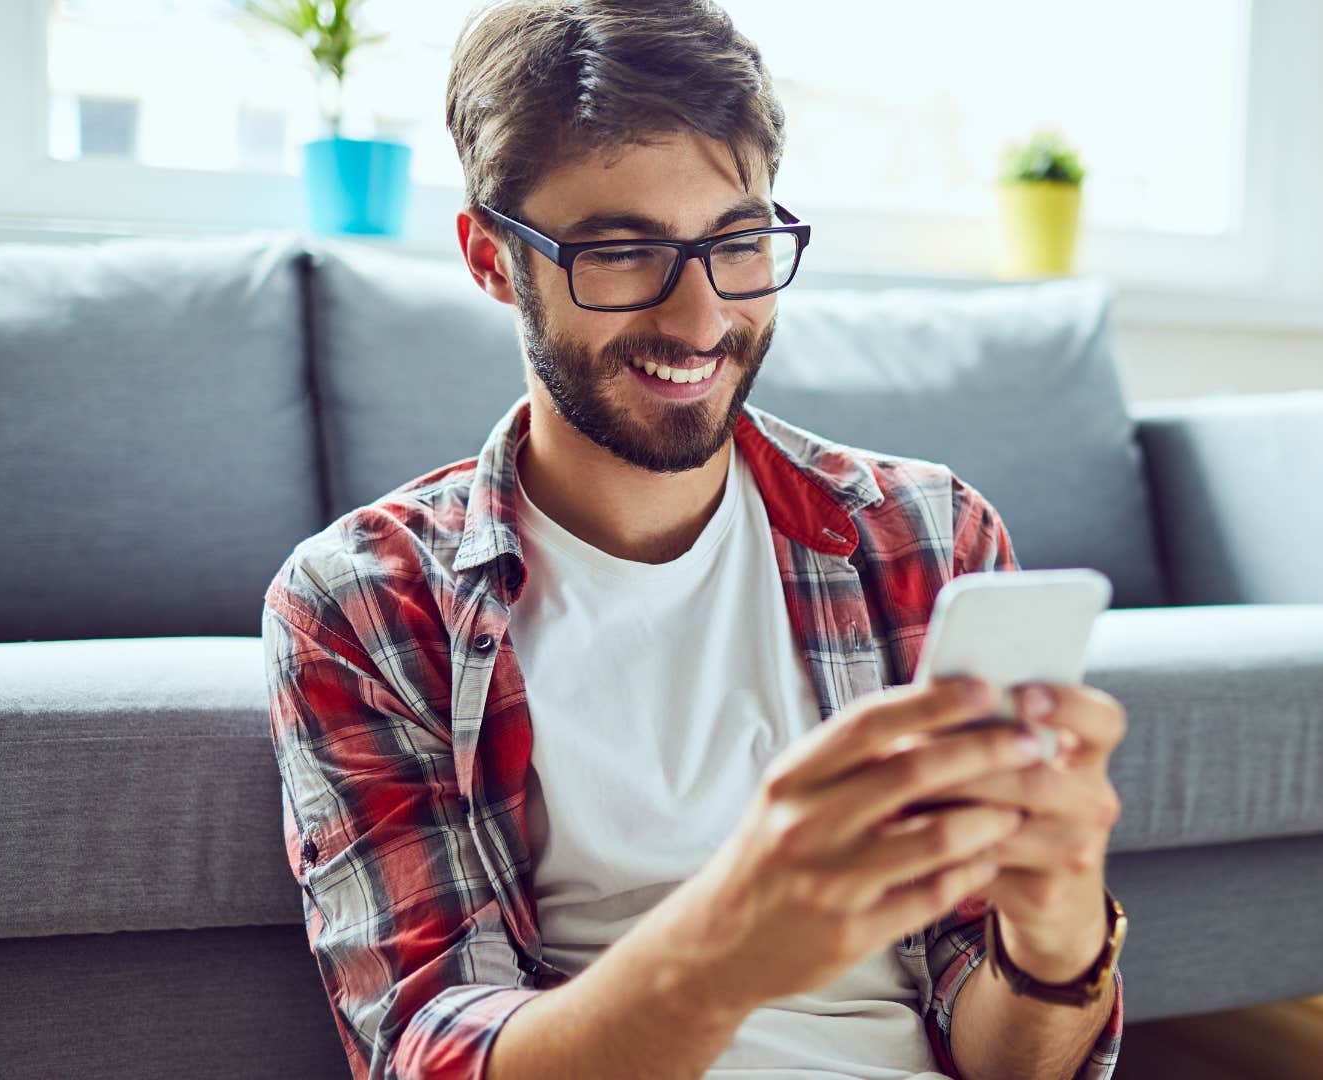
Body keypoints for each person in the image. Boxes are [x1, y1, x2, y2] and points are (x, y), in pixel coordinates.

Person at [259, 3, 1127, 1078]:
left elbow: (1013, 1061)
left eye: (738, 241)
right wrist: (731, 941)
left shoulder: (926, 540)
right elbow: (430, 1047)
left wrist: (1055, 942)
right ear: (490, 259)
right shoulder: (365, 603)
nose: (701, 316)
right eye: (622, 251)